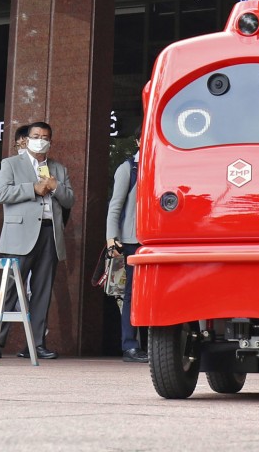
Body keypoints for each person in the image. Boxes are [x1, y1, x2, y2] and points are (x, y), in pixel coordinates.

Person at [0, 121, 74, 359]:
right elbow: (1, 194)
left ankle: (36, 343)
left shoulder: (58, 169)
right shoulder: (11, 164)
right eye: (36, 136)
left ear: (51, 141)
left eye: (45, 136)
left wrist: (55, 187)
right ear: (27, 139)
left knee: (42, 291)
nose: (41, 140)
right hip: (20, 235)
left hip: (50, 233)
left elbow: (70, 200)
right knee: (10, 290)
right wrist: (32, 189)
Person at [106, 125, 147, 363]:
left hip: (156, 240)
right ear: (139, 142)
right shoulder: (128, 168)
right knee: (131, 294)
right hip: (133, 239)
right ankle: (130, 345)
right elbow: (115, 206)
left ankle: (153, 344)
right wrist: (112, 239)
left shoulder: (162, 167)